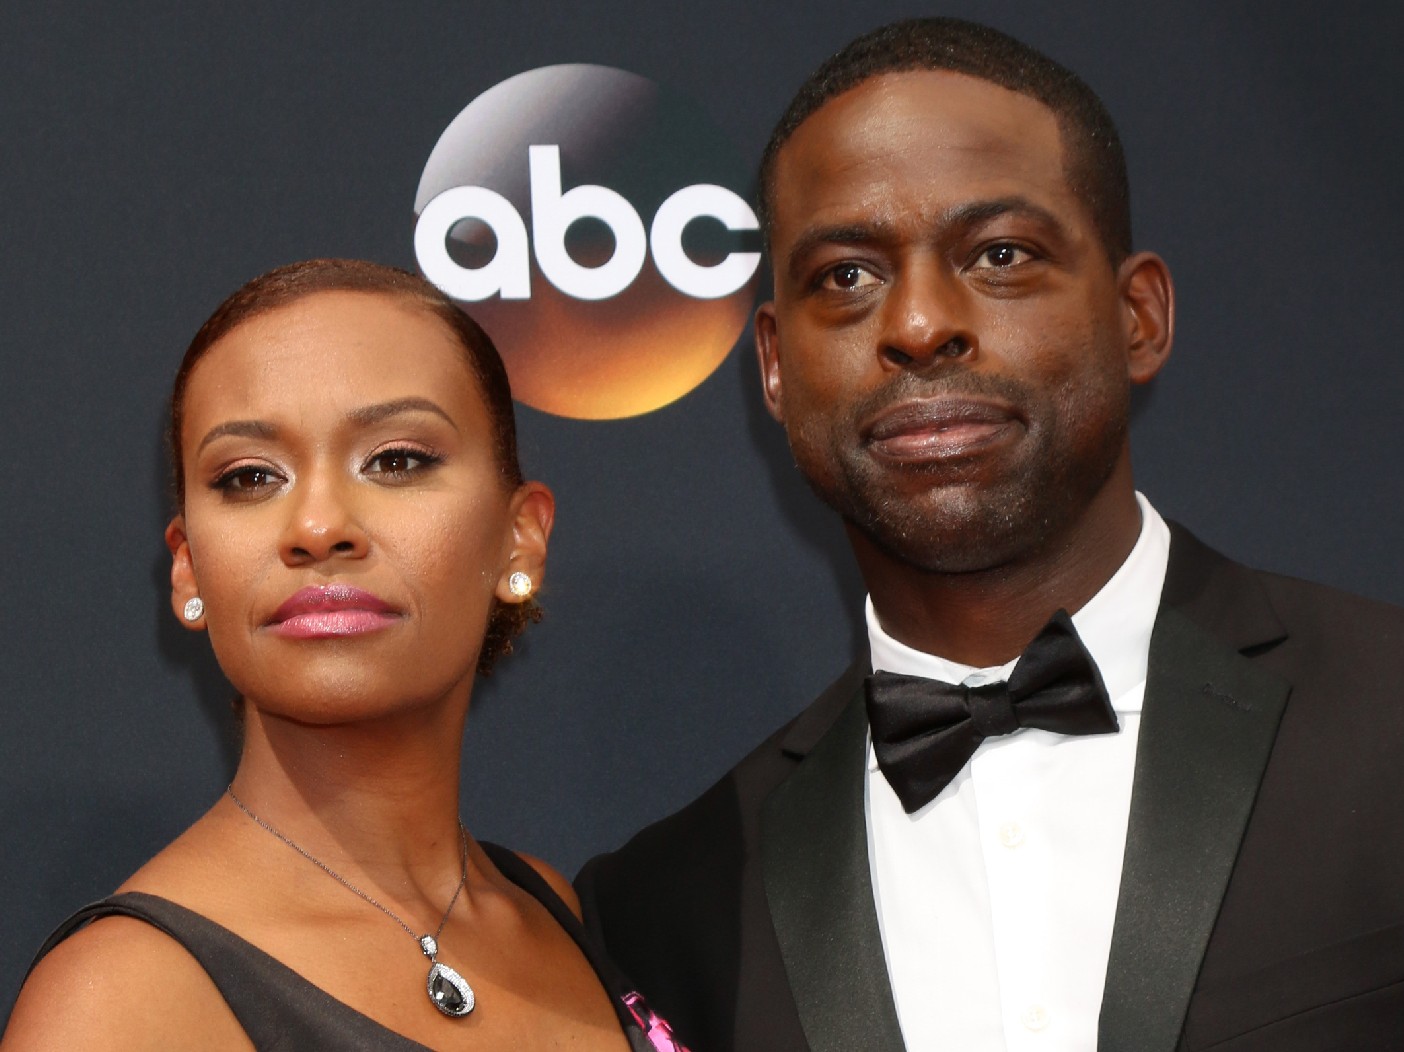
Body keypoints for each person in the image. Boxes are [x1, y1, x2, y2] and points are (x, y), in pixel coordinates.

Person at [575, 17, 1404, 1052]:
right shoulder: (669, 907)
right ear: (776, 368)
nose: (920, 325)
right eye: (846, 275)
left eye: (1001, 254)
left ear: (1138, 316)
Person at [3, 259, 687, 1052]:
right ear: (187, 568)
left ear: (520, 538)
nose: (318, 525)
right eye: (250, 476)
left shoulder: (549, 907)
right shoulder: (116, 1005)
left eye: (396, 460)